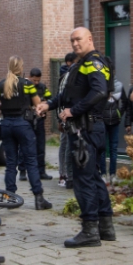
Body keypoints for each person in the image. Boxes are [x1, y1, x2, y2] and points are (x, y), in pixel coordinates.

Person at [37, 28, 114, 248]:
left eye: (78, 39)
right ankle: (106, 228)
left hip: (85, 129)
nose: (74, 44)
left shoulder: (94, 62)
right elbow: (68, 95)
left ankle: (90, 231)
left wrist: (73, 111)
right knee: (93, 177)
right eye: (72, 40)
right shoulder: (81, 64)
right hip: (88, 128)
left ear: (90, 39)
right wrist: (49, 104)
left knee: (83, 180)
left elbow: (99, 91)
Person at [0, 57, 53, 212]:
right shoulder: (28, 85)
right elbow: (38, 104)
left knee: (11, 163)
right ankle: (39, 199)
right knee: (31, 161)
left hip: (6, 125)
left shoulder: (1, 85)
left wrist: (5, 104)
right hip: (23, 124)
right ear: (21, 68)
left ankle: (10, 197)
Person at [99, 77, 125, 186]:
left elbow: (125, 101)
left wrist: (119, 113)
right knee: (103, 148)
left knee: (113, 148)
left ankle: (112, 174)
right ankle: (104, 174)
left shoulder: (118, 85)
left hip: (114, 121)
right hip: (103, 120)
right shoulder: (100, 84)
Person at [27, 68, 52, 181]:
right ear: (30, 77)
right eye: (34, 80)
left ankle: (42, 172)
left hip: (40, 120)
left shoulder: (42, 87)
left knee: (41, 147)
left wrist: (43, 104)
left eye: (38, 80)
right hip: (28, 121)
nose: (36, 82)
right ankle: (23, 171)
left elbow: (50, 99)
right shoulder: (26, 86)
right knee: (26, 146)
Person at [57, 52, 76, 188]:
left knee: (67, 145)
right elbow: (60, 98)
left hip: (67, 115)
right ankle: (66, 175)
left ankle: (67, 174)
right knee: (66, 145)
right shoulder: (67, 75)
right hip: (67, 116)